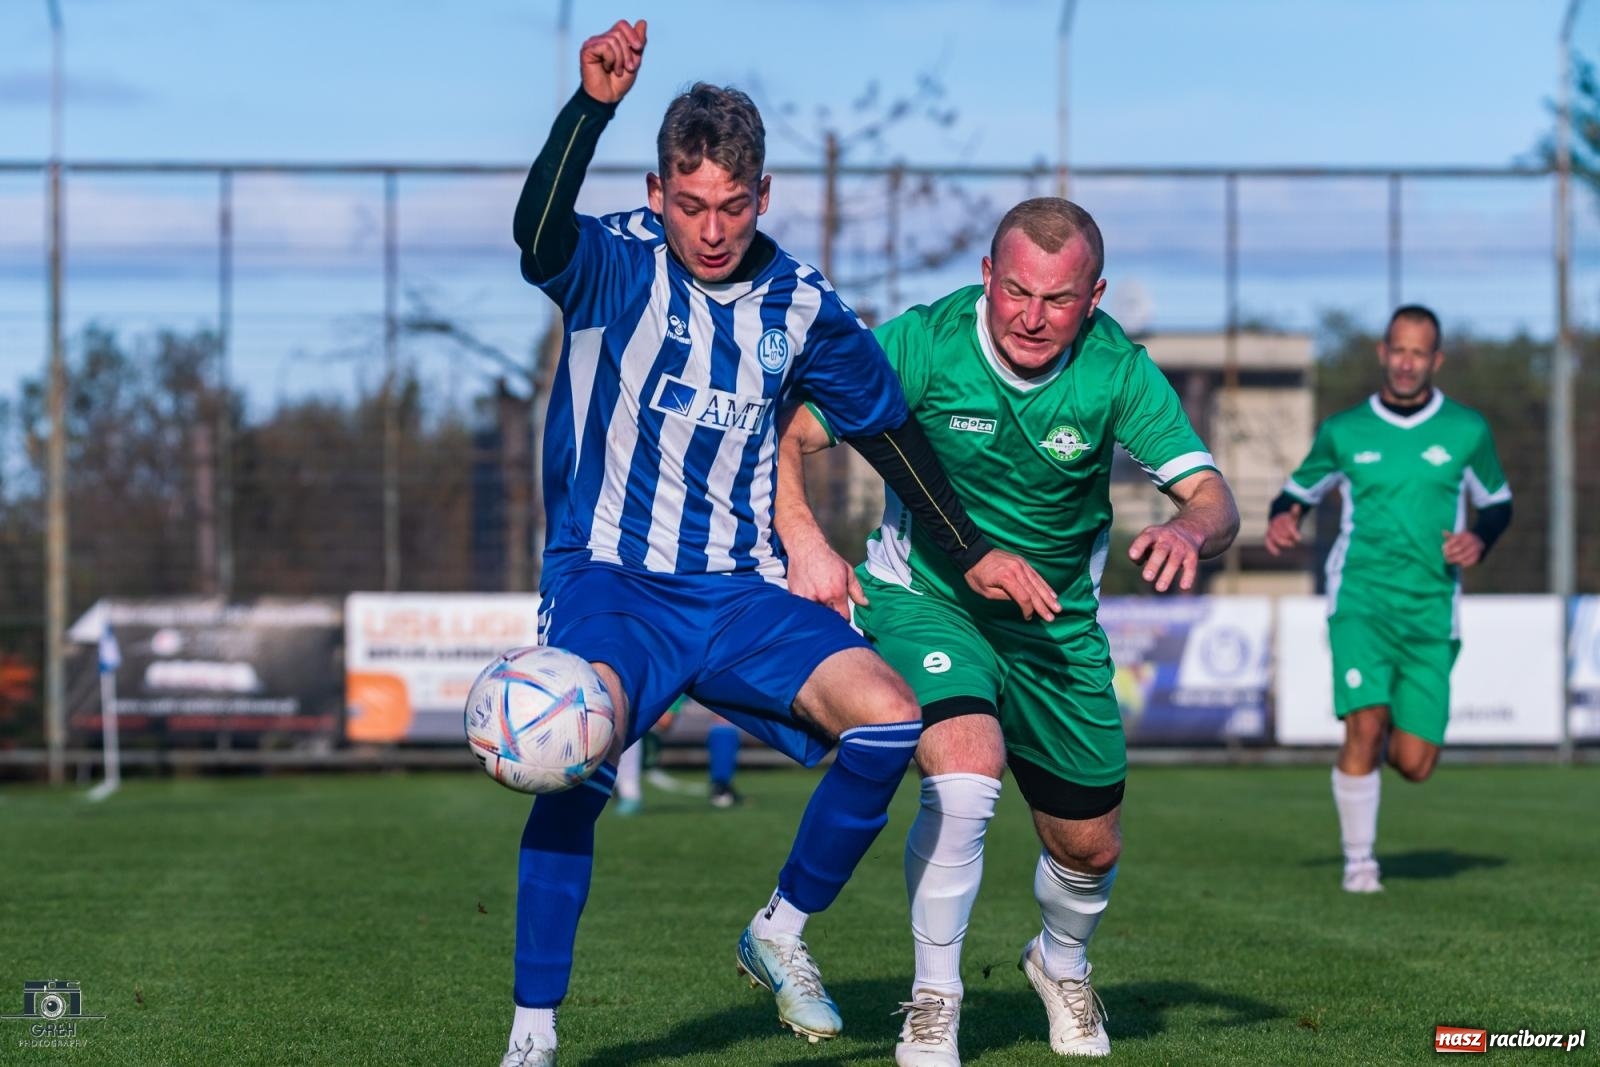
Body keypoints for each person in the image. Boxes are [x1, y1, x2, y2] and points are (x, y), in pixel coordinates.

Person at [502, 20, 1058, 1067]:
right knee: (570, 761)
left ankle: (780, 929)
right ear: (660, 191)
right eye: (690, 204)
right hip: (613, 580)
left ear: (760, 198)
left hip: (743, 587)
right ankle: (533, 1032)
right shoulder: (615, 262)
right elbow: (536, 235)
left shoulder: (798, 303)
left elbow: (886, 429)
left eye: (731, 206)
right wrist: (590, 108)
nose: (710, 230)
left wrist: (971, 547)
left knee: (891, 719)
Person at [776, 198, 1240, 1064]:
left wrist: (1186, 529)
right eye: (1015, 291)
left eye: (1057, 300)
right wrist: (803, 537)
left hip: (1055, 632)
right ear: (987, 276)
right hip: (927, 600)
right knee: (965, 766)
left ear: (1093, 297)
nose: (1031, 316)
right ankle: (933, 1001)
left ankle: (1060, 963)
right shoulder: (925, 340)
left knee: (1089, 846)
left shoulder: (1118, 372)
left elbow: (1215, 497)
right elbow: (795, 432)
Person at [1265, 304, 1511, 895]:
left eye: (1418, 353)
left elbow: (1498, 502)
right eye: (1397, 350)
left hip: (1431, 611)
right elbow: (1295, 491)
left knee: (1416, 763)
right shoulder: (1345, 431)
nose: (1406, 363)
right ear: (1382, 352)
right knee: (1365, 727)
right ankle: (1360, 864)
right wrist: (1283, 518)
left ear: (1436, 360)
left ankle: (1382, 738)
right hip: (1361, 601)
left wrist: (1480, 536)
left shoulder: (1466, 430)